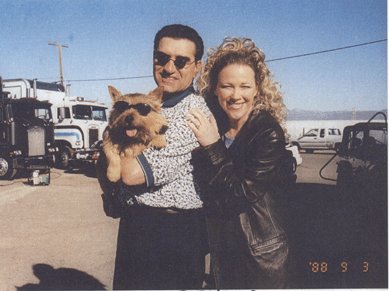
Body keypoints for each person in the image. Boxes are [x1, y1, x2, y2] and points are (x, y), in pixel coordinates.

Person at [97, 24, 210, 290]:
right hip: (137, 227)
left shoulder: (192, 112)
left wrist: (113, 142)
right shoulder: (149, 104)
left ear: (198, 67)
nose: (169, 68)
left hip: (172, 235)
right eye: (162, 58)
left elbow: (131, 174)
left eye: (181, 61)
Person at [186, 37, 295, 289]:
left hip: (260, 259)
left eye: (245, 86)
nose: (236, 96)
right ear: (215, 89)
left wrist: (212, 147)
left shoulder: (266, 132)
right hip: (224, 254)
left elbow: (239, 194)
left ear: (257, 89)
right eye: (227, 86)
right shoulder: (217, 126)